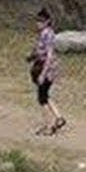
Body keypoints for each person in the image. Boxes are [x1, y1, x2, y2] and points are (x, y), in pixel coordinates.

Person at [29, 7, 66, 135]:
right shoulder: (45, 33)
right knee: (45, 94)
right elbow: (41, 51)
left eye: (41, 21)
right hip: (48, 67)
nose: (38, 23)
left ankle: (48, 126)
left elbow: (49, 55)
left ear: (47, 21)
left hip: (47, 69)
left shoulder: (47, 34)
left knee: (42, 98)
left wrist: (43, 74)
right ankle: (59, 118)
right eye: (37, 20)